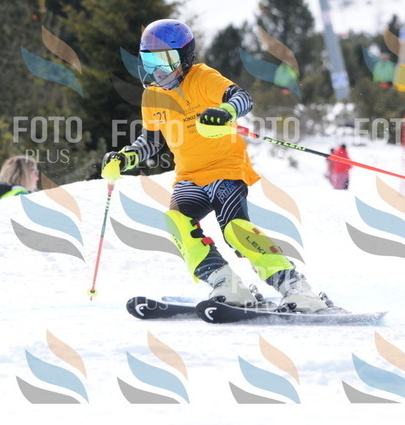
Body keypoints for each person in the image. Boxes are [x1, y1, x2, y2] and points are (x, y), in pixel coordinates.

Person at [101, 19, 328, 312]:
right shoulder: (152, 96)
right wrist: (126, 158)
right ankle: (226, 283)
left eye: (164, 61)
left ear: (184, 58)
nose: (158, 71)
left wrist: (225, 111)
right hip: (189, 177)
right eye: (149, 61)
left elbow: (242, 98)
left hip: (225, 169)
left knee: (236, 230)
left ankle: (295, 286)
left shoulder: (203, 77)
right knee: (177, 223)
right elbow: (152, 141)